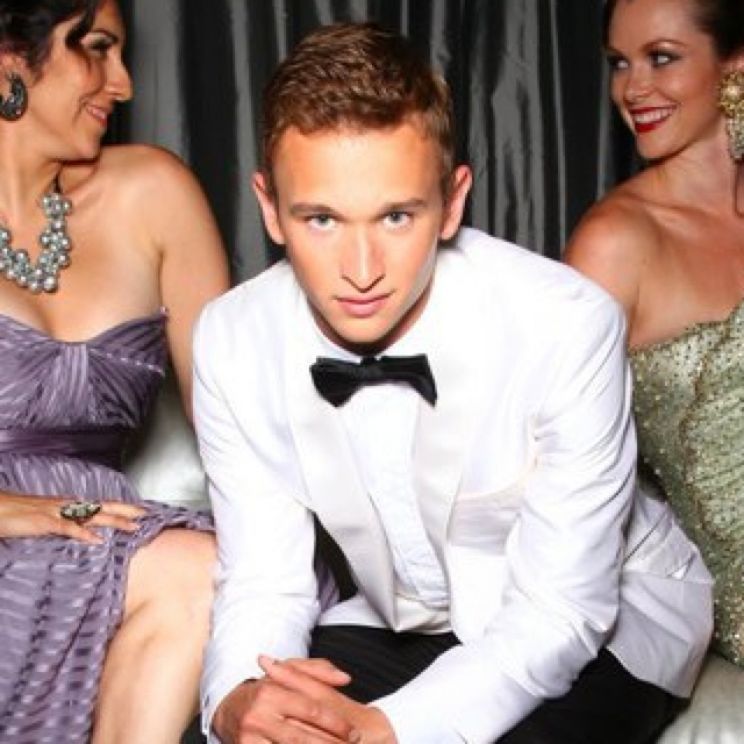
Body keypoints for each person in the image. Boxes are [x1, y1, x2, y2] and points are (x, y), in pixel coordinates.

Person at [194, 22, 712, 744]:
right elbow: (264, 580)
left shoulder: (566, 325)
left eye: (396, 216)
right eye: (322, 219)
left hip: (606, 626)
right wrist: (238, 698)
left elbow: (560, 611)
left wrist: (390, 729)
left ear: (454, 201)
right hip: (402, 621)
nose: (362, 269)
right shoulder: (231, 340)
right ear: (270, 210)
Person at [0, 1, 229, 742]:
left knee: (203, 569)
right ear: (9, 60)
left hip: (103, 538)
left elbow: (237, 426)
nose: (123, 83)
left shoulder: (152, 192)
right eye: (96, 49)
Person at [566, 0, 744, 668]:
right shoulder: (614, 244)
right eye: (620, 63)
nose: (632, 88)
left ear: (735, 66)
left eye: (661, 58)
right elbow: (553, 461)